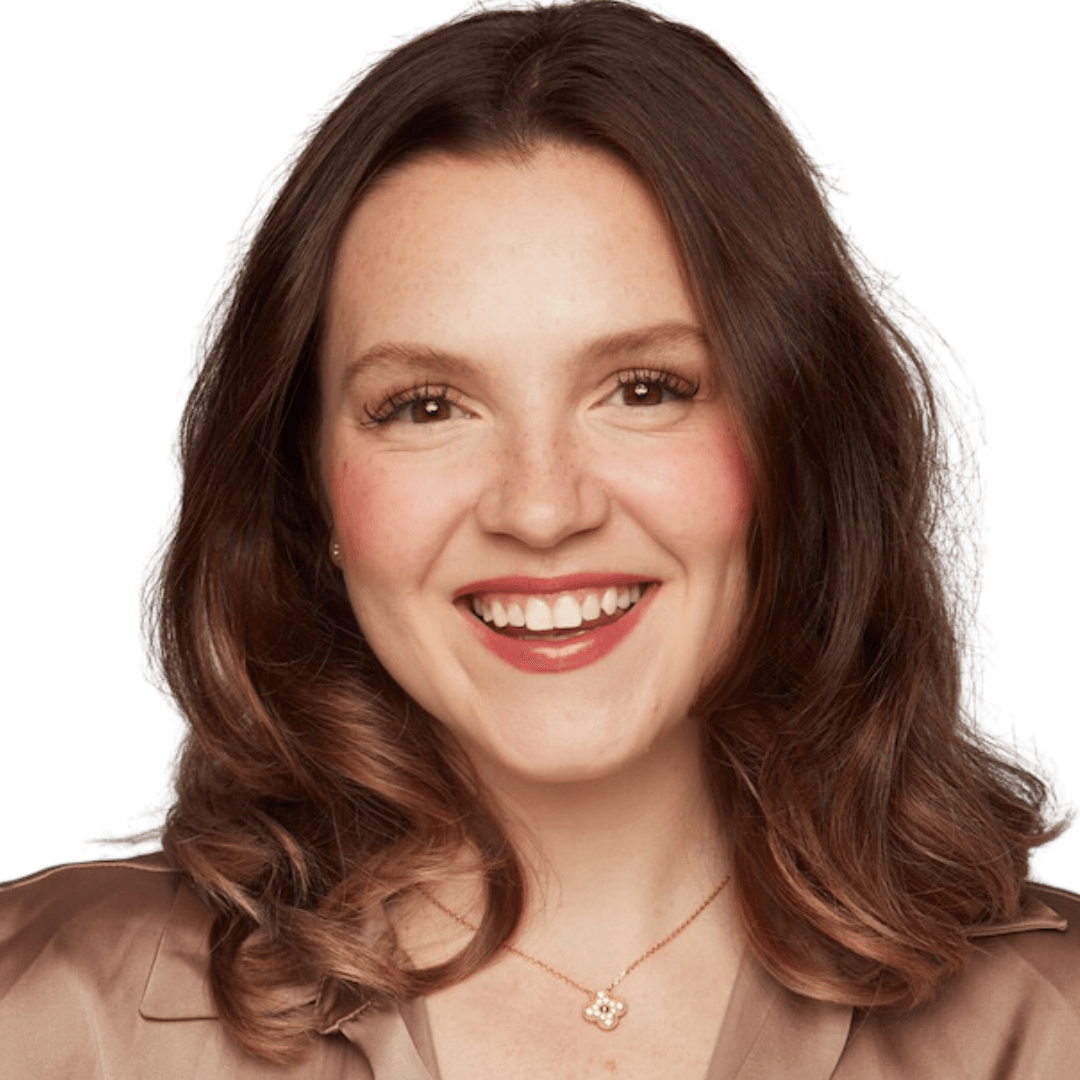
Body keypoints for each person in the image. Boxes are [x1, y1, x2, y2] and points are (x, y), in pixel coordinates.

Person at [2, 2, 1077, 1077]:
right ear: (308, 491)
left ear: (793, 444)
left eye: (645, 389)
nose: (542, 507)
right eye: (425, 405)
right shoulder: (47, 1013)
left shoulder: (1053, 1027)